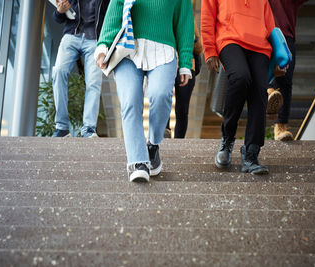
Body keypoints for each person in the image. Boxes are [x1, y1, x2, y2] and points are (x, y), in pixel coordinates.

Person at [95, 0, 194, 182]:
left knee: (160, 94)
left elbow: (184, 22)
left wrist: (185, 62)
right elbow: (114, 13)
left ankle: (153, 144)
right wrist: (103, 46)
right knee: (130, 101)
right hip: (127, 50)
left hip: (164, 50)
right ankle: (138, 161)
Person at [201, 0, 277, 175]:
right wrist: (209, 50)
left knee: (260, 91)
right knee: (240, 77)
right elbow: (207, 17)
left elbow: (270, 23)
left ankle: (251, 153)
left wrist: (279, 57)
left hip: (260, 45)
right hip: (230, 39)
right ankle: (227, 140)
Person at [51, 0, 110, 138]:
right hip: (71, 36)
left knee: (93, 83)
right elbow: (57, 18)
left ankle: (89, 128)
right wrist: (59, 11)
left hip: (94, 40)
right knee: (58, 71)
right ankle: (62, 127)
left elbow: (110, 17)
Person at [268, 0, 308, 141]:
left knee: (285, 80)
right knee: (258, 71)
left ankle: (280, 127)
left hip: (285, 36)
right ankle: (269, 92)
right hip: (261, 33)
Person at [165, 14, 203, 139]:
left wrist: (194, 40)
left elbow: (199, 49)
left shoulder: (189, 17)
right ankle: (164, 131)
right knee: (163, 100)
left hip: (187, 67)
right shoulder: (162, 14)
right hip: (165, 65)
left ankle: (179, 140)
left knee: (182, 109)